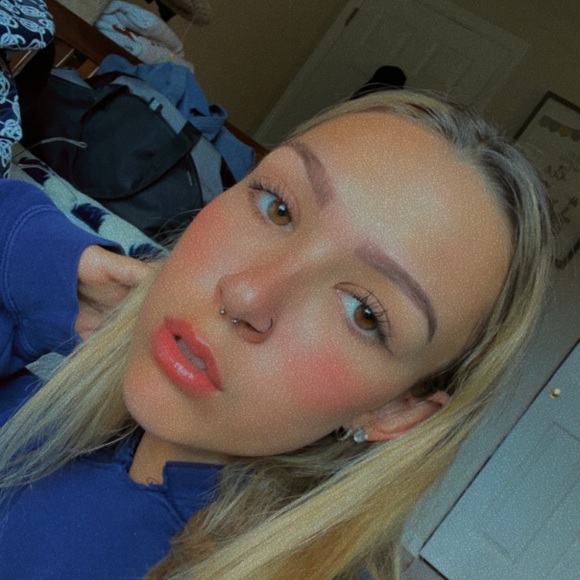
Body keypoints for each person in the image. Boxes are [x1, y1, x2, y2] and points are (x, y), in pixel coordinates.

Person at [0, 89, 553, 579]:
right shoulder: (60, 391)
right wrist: (58, 270)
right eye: (279, 207)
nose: (245, 295)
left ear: (395, 411)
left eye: (364, 312)